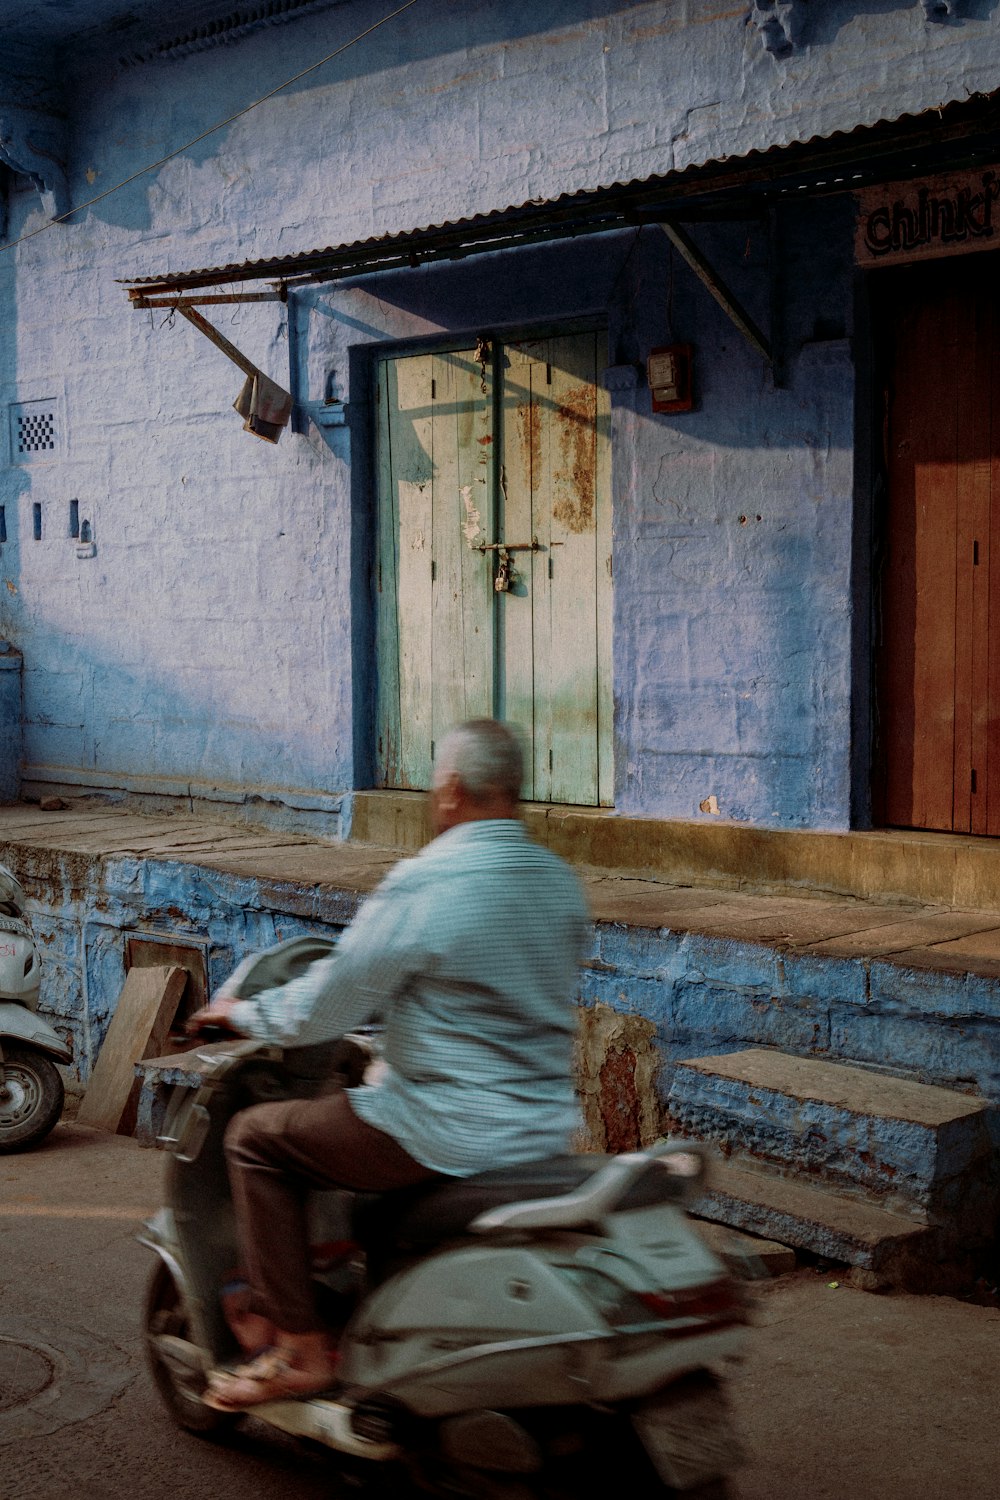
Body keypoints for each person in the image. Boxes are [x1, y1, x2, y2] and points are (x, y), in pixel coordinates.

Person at [186, 718, 590, 1410]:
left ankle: (301, 1349)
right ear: (513, 792)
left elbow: (327, 1003)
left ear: (452, 790)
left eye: (437, 788)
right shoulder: (557, 882)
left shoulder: (426, 883)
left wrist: (240, 1013)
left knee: (255, 1139)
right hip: (544, 1128)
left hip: (446, 1130)